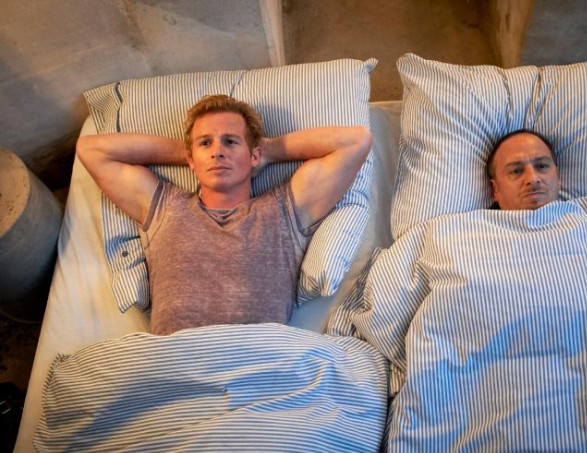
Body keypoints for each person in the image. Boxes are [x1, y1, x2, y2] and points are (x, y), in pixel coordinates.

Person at [77, 94, 372, 335]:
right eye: (206, 142)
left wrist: (267, 150)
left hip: (259, 363)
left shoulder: (283, 210)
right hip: (175, 363)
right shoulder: (166, 208)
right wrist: (191, 154)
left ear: (253, 155)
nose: (217, 151)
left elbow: (355, 141)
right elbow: (92, 150)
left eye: (230, 141)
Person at [486, 129, 561, 210]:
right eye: (516, 171)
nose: (533, 179)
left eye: (542, 166)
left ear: (558, 177)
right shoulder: (476, 218)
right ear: (495, 189)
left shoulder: (572, 213)